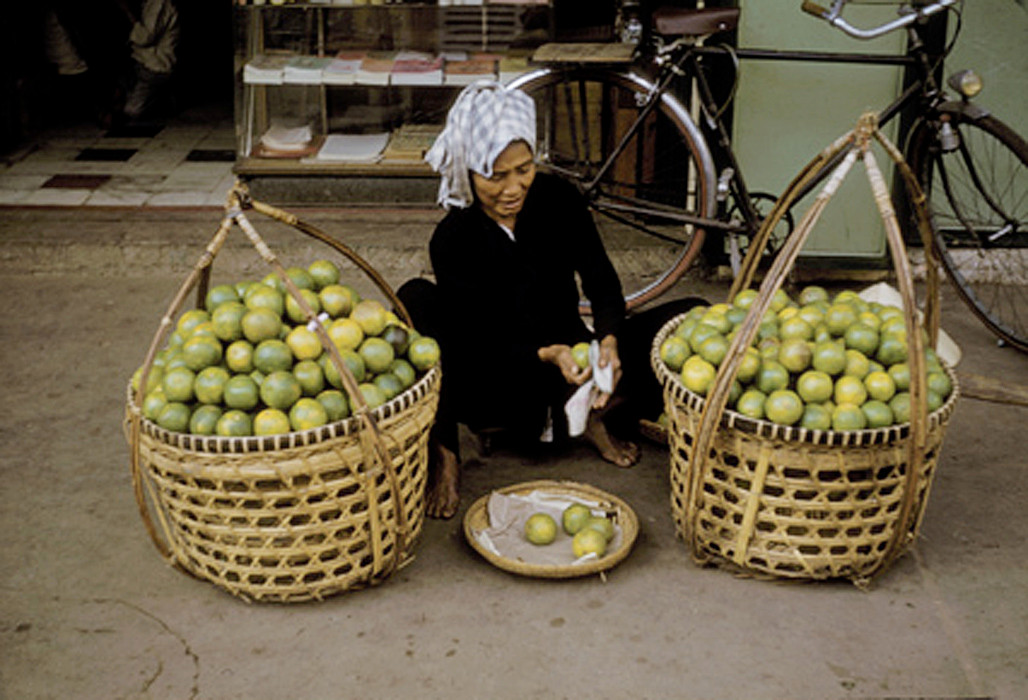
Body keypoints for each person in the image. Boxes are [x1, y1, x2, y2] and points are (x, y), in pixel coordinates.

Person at [398, 81, 704, 519]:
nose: (513, 188)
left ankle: (592, 417)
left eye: (523, 169)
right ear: (468, 171)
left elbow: (602, 282)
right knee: (415, 298)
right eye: (495, 176)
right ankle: (444, 453)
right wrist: (544, 353)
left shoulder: (559, 199)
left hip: (574, 371)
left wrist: (610, 340)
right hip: (500, 385)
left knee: (690, 315)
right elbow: (477, 339)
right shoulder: (454, 238)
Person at [115, 0, 179, 122]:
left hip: (155, 66)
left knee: (131, 111)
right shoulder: (150, 3)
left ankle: (159, 100)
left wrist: (128, 13)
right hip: (143, 63)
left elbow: (145, 38)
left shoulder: (159, 4)